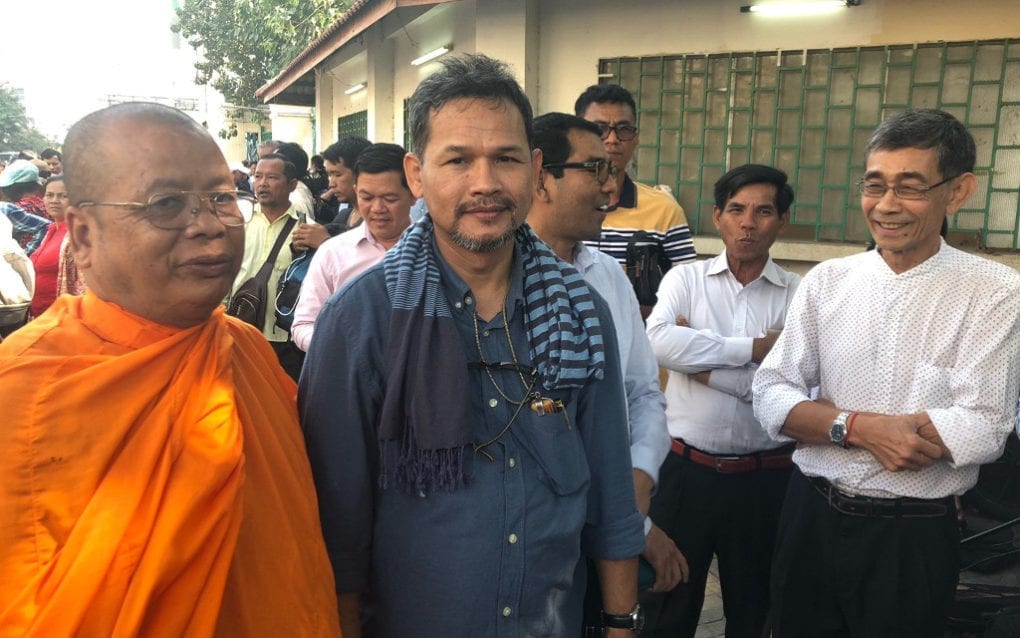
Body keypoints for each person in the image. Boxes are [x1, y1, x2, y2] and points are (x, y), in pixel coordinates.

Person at [300, 54, 645, 638]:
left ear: (534, 170)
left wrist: (620, 622)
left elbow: (610, 489)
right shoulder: (361, 322)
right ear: (417, 174)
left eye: (505, 158)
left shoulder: (581, 311)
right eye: (457, 160)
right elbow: (337, 524)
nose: (484, 183)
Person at [0, 102, 340, 636]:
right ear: (83, 236)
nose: (208, 225)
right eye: (165, 204)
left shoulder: (245, 351)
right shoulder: (23, 392)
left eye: (222, 198)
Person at [753, 108, 1020, 638]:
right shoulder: (828, 281)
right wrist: (859, 429)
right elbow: (768, 393)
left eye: (910, 187)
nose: (887, 205)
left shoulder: (995, 292)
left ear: (958, 191)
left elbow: (984, 425)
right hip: (810, 514)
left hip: (912, 535)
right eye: (875, 185)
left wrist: (818, 415)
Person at [526, 112, 688, 615]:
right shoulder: (498, 282)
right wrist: (636, 525)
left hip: (611, 509)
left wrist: (639, 478)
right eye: (594, 169)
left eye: (611, 171)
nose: (610, 186)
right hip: (534, 527)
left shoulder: (608, 278)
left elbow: (641, 393)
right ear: (540, 178)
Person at [642, 164, 800, 637]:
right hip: (684, 474)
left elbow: (796, 388)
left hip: (764, 480)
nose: (748, 223)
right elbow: (660, 344)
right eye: (736, 209)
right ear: (717, 217)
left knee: (753, 610)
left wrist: (701, 364)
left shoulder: (800, 294)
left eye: (763, 211)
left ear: (782, 221)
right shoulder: (685, 280)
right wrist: (753, 350)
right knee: (668, 603)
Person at [574, 84, 696, 310]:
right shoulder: (556, 207)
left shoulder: (665, 210)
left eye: (623, 129)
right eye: (599, 128)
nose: (612, 139)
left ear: (636, 138)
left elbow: (688, 293)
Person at [291, 142, 415, 352]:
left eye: (390, 198)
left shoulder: (439, 250)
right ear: (356, 192)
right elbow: (303, 325)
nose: (377, 209)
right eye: (367, 197)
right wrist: (345, 351)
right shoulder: (333, 253)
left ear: (413, 192)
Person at [230, 152, 305, 380]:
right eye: (258, 176)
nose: (262, 184)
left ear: (292, 184)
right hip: (239, 328)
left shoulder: (305, 229)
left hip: (283, 337)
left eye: (272, 178)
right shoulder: (239, 223)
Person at [290, 137, 372, 252]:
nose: (331, 184)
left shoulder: (378, 221)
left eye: (337, 175)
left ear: (361, 172)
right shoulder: (343, 216)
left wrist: (325, 243)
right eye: (329, 175)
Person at [28, 176, 71, 317]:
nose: (54, 201)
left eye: (63, 196)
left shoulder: (78, 234)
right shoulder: (51, 230)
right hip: (41, 316)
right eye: (49, 195)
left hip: (63, 318)